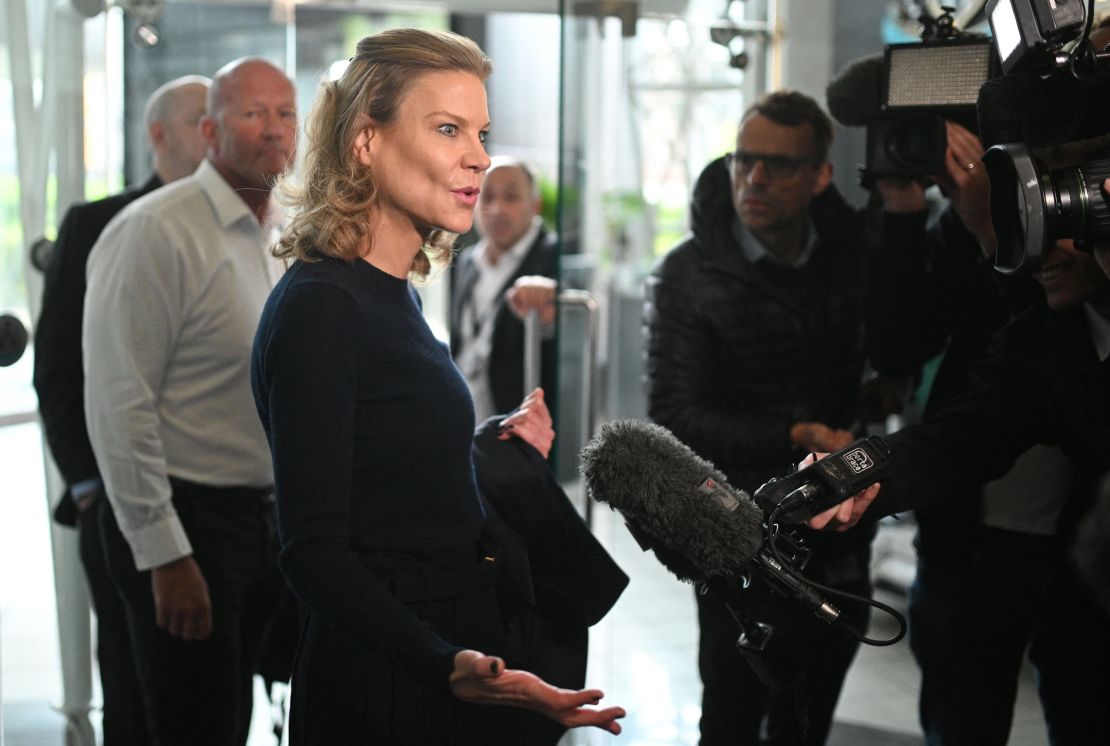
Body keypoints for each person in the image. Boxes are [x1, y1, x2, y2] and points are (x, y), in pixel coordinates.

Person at [250, 28, 624, 744]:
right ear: (366, 140)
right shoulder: (322, 306)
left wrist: (487, 445)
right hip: (389, 677)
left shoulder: (391, 292)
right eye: (448, 129)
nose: (479, 157)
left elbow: (380, 468)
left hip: (444, 651)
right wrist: (443, 663)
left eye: (480, 132)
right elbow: (313, 552)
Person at [644, 90, 923, 745]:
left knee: (811, 713)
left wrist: (880, 386)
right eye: (744, 161)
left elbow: (899, 337)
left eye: (778, 165)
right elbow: (675, 413)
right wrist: (797, 431)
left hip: (836, 522)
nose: (755, 179)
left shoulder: (847, 253)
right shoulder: (688, 272)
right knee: (734, 711)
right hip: (735, 528)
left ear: (822, 175)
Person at [809, 172, 1110, 746]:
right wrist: (864, 476)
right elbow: (963, 435)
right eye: (1025, 223)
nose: (1036, 247)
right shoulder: (1042, 337)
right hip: (969, 549)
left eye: (1062, 220)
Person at [82, 58, 297, 746]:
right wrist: (165, 554)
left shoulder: (289, 232)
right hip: (190, 523)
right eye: (252, 113)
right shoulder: (154, 229)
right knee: (188, 727)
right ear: (208, 130)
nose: (274, 130)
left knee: (236, 720)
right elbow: (121, 402)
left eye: (286, 113)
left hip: (268, 521)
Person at [32, 73, 209, 746]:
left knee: (208, 694)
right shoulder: (95, 223)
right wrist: (88, 491)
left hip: (221, 513)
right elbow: (57, 370)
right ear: (158, 135)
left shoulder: (250, 225)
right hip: (118, 504)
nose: (218, 131)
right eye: (202, 118)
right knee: (133, 688)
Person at [450, 155, 558, 422]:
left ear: (535, 205)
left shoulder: (555, 261)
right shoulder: (467, 261)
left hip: (519, 429)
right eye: (486, 198)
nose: (496, 209)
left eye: (511, 198)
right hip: (467, 423)